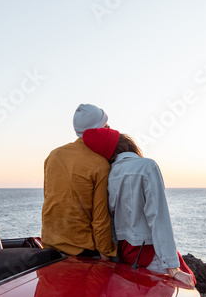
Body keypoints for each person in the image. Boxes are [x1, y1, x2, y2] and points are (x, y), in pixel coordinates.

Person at [82, 127, 195, 287]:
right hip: (149, 253)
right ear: (128, 144)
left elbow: (107, 221)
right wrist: (173, 268)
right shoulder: (146, 166)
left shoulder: (107, 174)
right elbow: (158, 217)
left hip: (124, 254)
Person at [41, 104, 116, 259]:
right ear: (98, 130)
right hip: (83, 252)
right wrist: (106, 258)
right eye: (106, 126)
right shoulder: (100, 164)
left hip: (49, 247)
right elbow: (100, 219)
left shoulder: (53, 155)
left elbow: (50, 198)